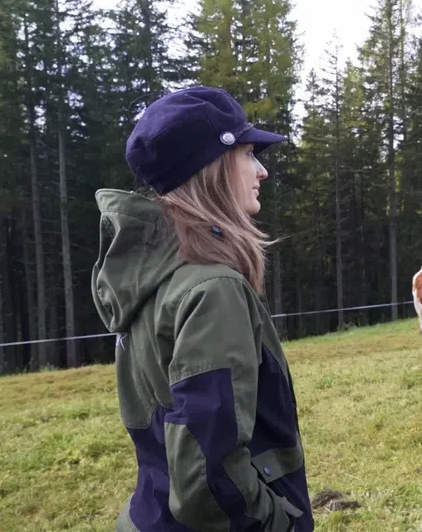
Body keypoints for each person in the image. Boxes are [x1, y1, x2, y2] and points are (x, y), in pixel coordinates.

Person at [91, 85, 313, 531]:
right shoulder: (212, 290)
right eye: (249, 154)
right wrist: (282, 524)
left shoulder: (148, 278)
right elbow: (208, 484)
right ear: (212, 168)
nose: (262, 170)